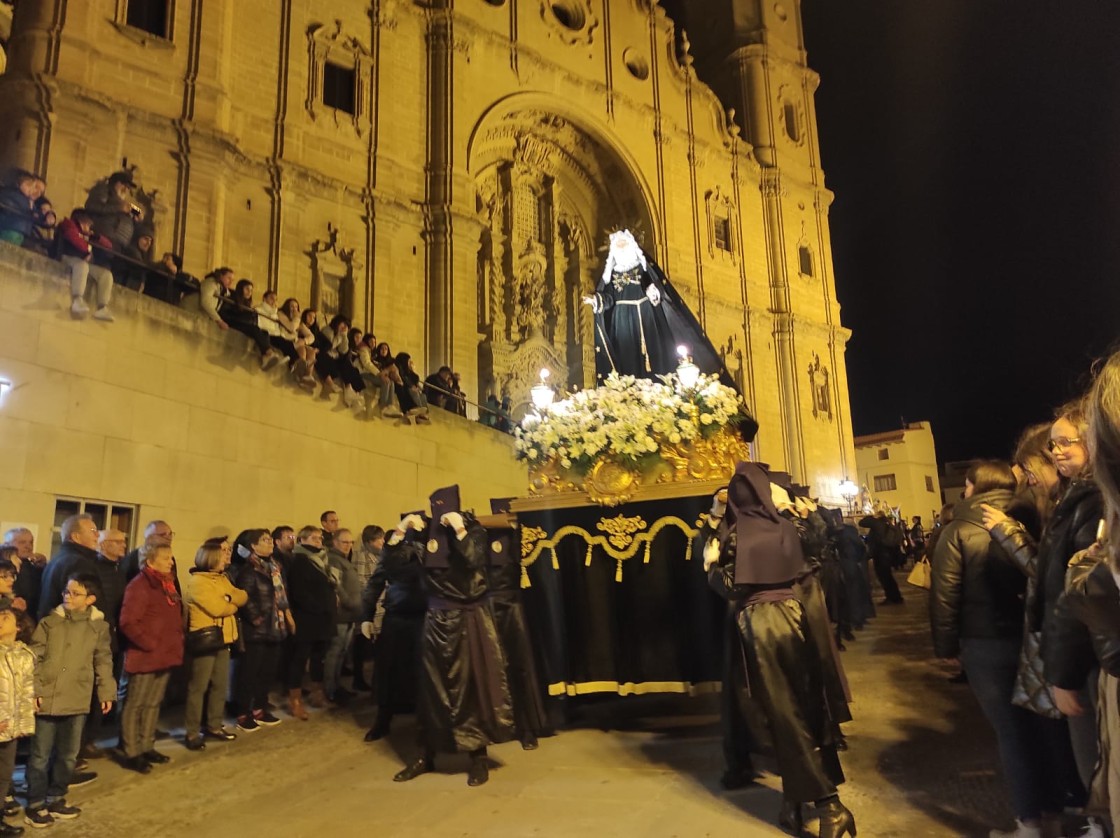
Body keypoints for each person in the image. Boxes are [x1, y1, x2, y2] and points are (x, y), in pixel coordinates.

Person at [704, 463, 854, 837]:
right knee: (804, 707)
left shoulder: (739, 536)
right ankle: (792, 804)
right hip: (795, 618)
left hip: (761, 624)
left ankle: (830, 807)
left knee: (782, 714)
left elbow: (734, 587)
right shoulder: (789, 528)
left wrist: (709, 566)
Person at [930, 460, 1062, 838]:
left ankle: (1029, 823)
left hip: (984, 642)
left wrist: (946, 646)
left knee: (1011, 732)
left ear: (972, 486)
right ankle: (1054, 815)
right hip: (1034, 637)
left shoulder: (958, 528)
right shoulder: (1032, 516)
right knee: (1044, 728)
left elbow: (944, 594)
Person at [391, 487, 514, 786]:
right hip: (436, 620)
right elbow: (394, 568)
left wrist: (459, 527)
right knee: (433, 690)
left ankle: (478, 757)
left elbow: (473, 559)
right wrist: (400, 531)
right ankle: (426, 754)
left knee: (472, 688)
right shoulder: (423, 536)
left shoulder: (474, 531)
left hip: (468, 619)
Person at [26, 573, 115, 828]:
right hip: (49, 698)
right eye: (66, 591)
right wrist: (37, 689)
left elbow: (103, 659)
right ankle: (34, 803)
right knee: (40, 754)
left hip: (77, 696)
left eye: (75, 593)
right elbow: (35, 658)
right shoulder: (49, 623)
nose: (68, 596)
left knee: (68, 754)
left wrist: (106, 690)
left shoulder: (98, 627)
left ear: (90, 599)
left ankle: (56, 796)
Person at [117, 542, 183, 774]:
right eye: (166, 558)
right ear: (151, 560)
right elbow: (128, 622)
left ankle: (147, 745)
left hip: (164, 654)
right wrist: (149, 644)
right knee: (136, 705)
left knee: (153, 704)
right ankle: (132, 751)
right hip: (146, 656)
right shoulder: (140, 586)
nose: (171, 562)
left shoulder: (167, 584)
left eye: (171, 558)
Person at [484, 519, 548, 750]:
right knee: (493, 669)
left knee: (521, 666)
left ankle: (527, 728)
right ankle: (500, 726)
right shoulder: (476, 537)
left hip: (512, 606)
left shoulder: (519, 537)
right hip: (486, 607)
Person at [360, 523, 426, 741]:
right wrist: (366, 617)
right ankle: (383, 719)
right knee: (387, 671)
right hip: (395, 618)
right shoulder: (390, 556)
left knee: (420, 673)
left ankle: (422, 722)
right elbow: (375, 584)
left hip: (423, 620)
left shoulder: (429, 553)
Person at [183, 538, 246, 751]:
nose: (226, 558)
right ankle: (192, 732)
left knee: (220, 685)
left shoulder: (222, 579)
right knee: (198, 687)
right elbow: (219, 608)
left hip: (224, 638)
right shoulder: (198, 582)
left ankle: (214, 725)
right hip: (206, 639)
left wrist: (230, 599)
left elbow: (243, 596)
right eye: (222, 555)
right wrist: (231, 602)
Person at [230, 530, 291, 732]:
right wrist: (257, 619)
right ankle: (242, 712)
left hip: (275, 627)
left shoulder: (275, 568)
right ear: (253, 547)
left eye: (270, 539)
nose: (270, 543)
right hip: (256, 630)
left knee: (267, 672)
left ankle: (260, 709)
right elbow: (245, 599)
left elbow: (281, 595)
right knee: (249, 673)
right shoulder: (249, 571)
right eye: (265, 540)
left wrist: (286, 616)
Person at [282, 527, 335, 719]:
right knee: (299, 658)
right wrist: (318, 606)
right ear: (302, 540)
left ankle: (317, 693)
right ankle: (295, 700)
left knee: (318, 657)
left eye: (320, 538)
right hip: (307, 618)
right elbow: (298, 591)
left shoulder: (322, 558)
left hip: (323, 618)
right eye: (314, 538)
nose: (319, 541)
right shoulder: (299, 561)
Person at [0, 603, 34, 836]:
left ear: (19, 627)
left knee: (4, 775)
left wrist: (23, 724)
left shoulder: (24, 655)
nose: (0, 620)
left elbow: (26, 693)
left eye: (5, 617)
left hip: (10, 728)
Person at [56, 207, 115, 321]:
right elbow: (73, 238)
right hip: (67, 257)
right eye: (87, 223)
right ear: (81, 220)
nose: (89, 226)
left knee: (106, 275)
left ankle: (102, 307)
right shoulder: (68, 224)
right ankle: (77, 300)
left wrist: (96, 237)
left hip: (81, 262)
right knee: (83, 266)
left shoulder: (87, 234)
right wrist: (87, 249)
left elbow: (108, 246)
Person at [38, 514, 101, 619]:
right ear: (76, 537)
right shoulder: (79, 563)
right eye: (92, 530)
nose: (98, 535)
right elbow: (84, 605)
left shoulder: (56, 559)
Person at [324, 529, 362, 704]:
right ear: (335, 542)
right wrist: (350, 602)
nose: (348, 546)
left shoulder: (344, 560)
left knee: (342, 653)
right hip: (341, 614)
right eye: (344, 542)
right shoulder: (334, 560)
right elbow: (336, 585)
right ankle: (330, 689)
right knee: (334, 653)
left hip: (350, 615)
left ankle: (337, 686)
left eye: (350, 542)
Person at [350, 526, 383, 692]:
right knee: (362, 643)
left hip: (380, 605)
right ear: (370, 541)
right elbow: (361, 581)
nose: (382, 542)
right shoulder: (362, 555)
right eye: (379, 539)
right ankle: (358, 678)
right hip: (368, 606)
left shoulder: (379, 556)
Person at [859, 510, 904, 605]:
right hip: (886, 553)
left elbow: (862, 522)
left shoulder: (877, 523)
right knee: (888, 576)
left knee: (884, 576)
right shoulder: (887, 522)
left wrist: (870, 516)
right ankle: (896, 597)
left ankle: (891, 598)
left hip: (880, 554)